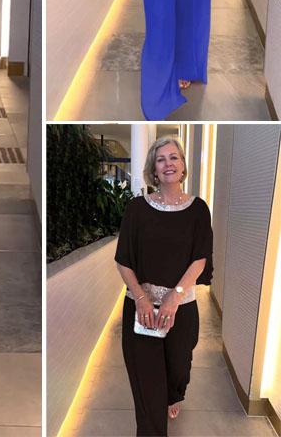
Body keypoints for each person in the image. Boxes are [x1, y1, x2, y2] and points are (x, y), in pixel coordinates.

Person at [114, 137, 213, 436]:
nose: (168, 164)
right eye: (161, 159)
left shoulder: (198, 210)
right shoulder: (137, 209)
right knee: (147, 389)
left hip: (181, 308)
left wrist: (174, 298)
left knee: (178, 369)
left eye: (174, 158)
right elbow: (123, 260)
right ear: (153, 169)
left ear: (182, 166)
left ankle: (173, 395)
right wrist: (142, 298)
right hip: (141, 309)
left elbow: (200, 259)